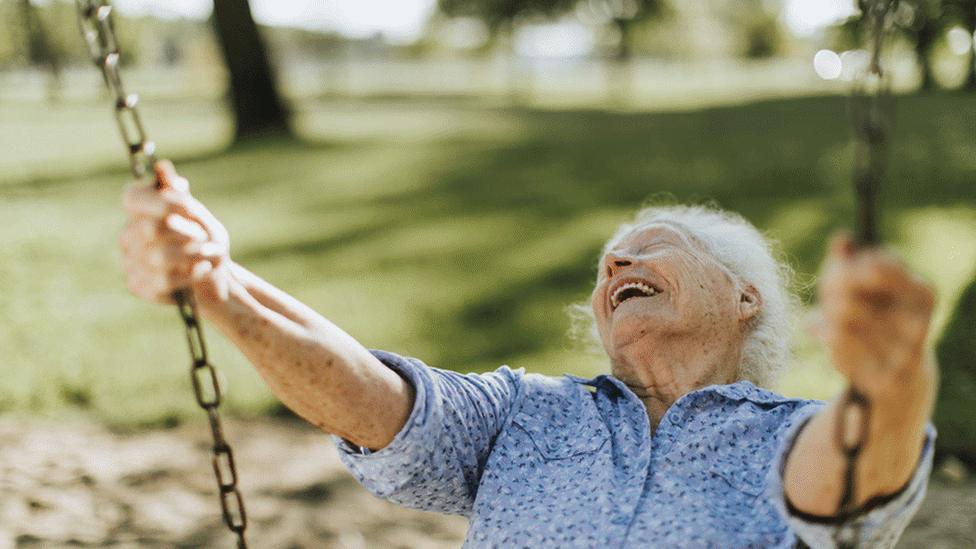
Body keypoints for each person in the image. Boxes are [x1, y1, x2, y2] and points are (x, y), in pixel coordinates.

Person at [120, 161, 937, 548]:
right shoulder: (526, 412)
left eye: (652, 248)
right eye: (607, 264)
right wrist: (217, 284)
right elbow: (376, 401)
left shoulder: (790, 433)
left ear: (744, 298)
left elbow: (851, 476)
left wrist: (891, 373)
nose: (617, 266)